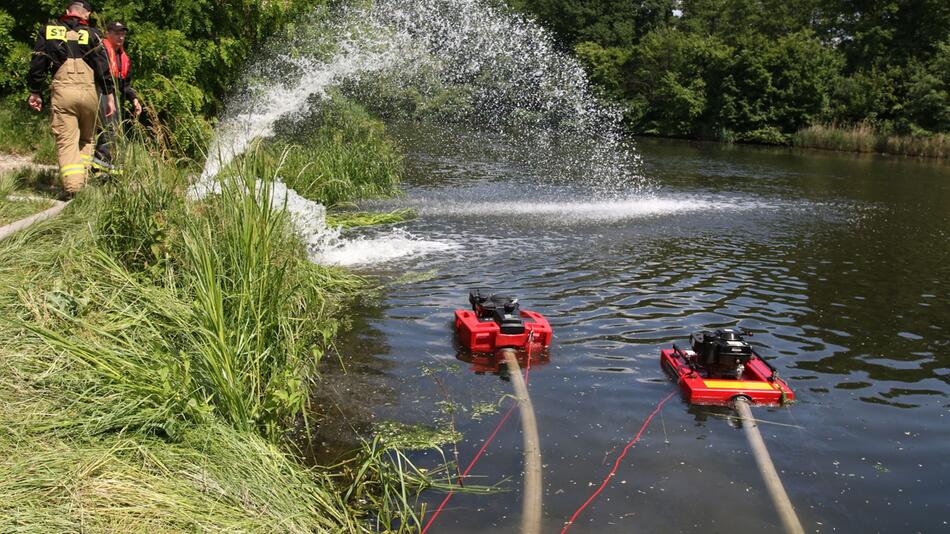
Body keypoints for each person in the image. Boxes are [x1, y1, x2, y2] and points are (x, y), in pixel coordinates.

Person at [28, 1, 115, 196]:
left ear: (67, 12)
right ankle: (81, 183)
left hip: (64, 91)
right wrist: (109, 96)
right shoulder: (94, 34)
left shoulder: (50, 30)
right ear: (87, 15)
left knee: (67, 140)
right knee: (86, 139)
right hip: (89, 93)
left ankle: (73, 189)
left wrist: (35, 91)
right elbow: (103, 66)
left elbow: (38, 61)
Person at [94, 20, 141, 168]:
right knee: (109, 132)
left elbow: (125, 85)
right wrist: (109, 99)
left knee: (113, 133)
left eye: (123, 34)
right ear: (107, 34)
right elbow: (102, 75)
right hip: (100, 94)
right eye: (116, 33)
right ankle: (100, 171)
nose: (120, 37)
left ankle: (108, 169)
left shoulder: (123, 58)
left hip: (113, 98)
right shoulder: (100, 50)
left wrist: (134, 99)